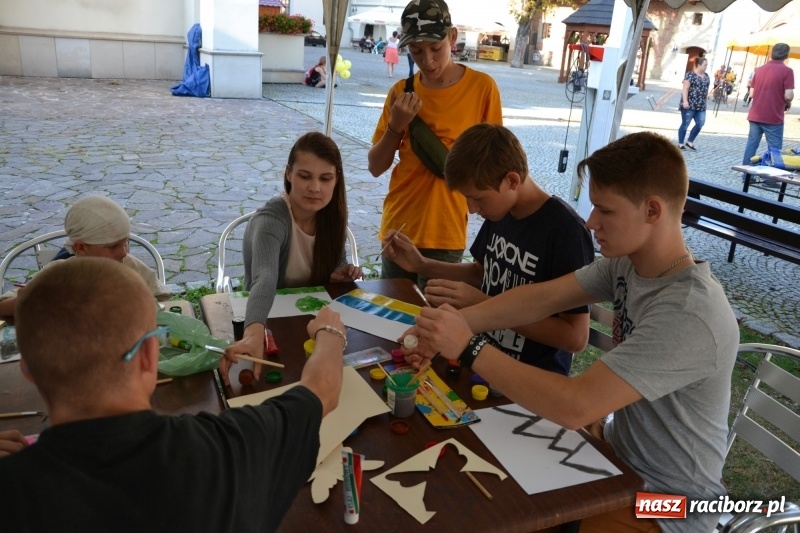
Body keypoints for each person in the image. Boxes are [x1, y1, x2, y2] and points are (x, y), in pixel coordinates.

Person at [405, 131, 739, 533]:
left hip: (671, 505)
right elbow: (539, 298)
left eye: (604, 210)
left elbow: (576, 406)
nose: (590, 221)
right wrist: (461, 322)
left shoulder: (688, 312)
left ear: (652, 210)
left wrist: (468, 344)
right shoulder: (628, 264)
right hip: (617, 459)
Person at [0, 257, 346, 531]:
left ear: (28, 370)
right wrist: (329, 331)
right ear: (151, 355)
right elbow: (322, 390)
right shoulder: (230, 449)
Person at [382, 124, 594, 374]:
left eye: (478, 198)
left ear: (511, 180)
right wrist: (422, 265)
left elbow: (575, 338)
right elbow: (482, 271)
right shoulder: (501, 212)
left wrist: (486, 305)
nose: (472, 209)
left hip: (531, 377)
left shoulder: (565, 231)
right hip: (482, 360)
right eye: (467, 199)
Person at [367, 0, 503, 287]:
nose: (427, 61)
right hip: (400, 222)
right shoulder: (400, 93)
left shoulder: (482, 89)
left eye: (435, 49)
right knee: (393, 317)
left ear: (452, 37)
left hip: (446, 228)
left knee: (431, 320)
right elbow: (376, 166)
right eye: (416, 51)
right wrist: (397, 125)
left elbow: (495, 165)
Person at [223, 132, 361, 381]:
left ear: (336, 180)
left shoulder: (331, 216)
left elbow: (334, 261)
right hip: (271, 326)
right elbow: (264, 278)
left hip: (312, 326)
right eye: (305, 176)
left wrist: (339, 272)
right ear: (288, 174)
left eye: (325, 178)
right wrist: (254, 333)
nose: (315, 188)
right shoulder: (272, 219)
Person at [0, 194, 171, 318]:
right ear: (81, 248)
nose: (123, 252)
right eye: (113, 246)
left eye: (126, 242)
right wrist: (26, 300)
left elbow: (159, 301)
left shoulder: (131, 267)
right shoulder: (57, 275)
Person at [741, 43, 795, 169]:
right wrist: (788, 102)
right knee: (775, 149)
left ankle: (746, 172)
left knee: (751, 144)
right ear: (786, 55)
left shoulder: (759, 69)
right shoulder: (787, 71)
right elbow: (788, 95)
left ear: (772, 53)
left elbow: (751, 93)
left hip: (755, 113)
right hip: (773, 115)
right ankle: (771, 178)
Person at [677, 56, 710, 151]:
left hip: (701, 105)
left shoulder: (706, 76)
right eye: (705, 65)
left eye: (707, 65)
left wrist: (705, 100)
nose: (706, 66)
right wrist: (685, 101)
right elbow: (685, 89)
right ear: (699, 65)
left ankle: (690, 141)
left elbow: (706, 89)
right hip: (690, 104)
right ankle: (680, 143)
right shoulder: (690, 75)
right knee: (685, 123)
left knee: (700, 123)